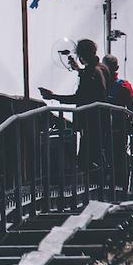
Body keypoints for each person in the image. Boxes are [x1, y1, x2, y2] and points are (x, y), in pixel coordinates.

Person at [38, 39, 110, 174]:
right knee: (96, 154)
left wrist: (53, 96)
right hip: (100, 120)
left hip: (91, 121)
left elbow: (80, 97)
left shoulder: (90, 73)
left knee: (86, 161)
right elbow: (92, 85)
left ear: (81, 56)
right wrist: (79, 70)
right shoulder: (101, 69)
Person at [102, 54, 133, 192]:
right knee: (118, 159)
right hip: (117, 129)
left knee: (113, 158)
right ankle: (120, 187)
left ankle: (116, 186)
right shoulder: (122, 85)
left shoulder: (103, 83)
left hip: (110, 129)